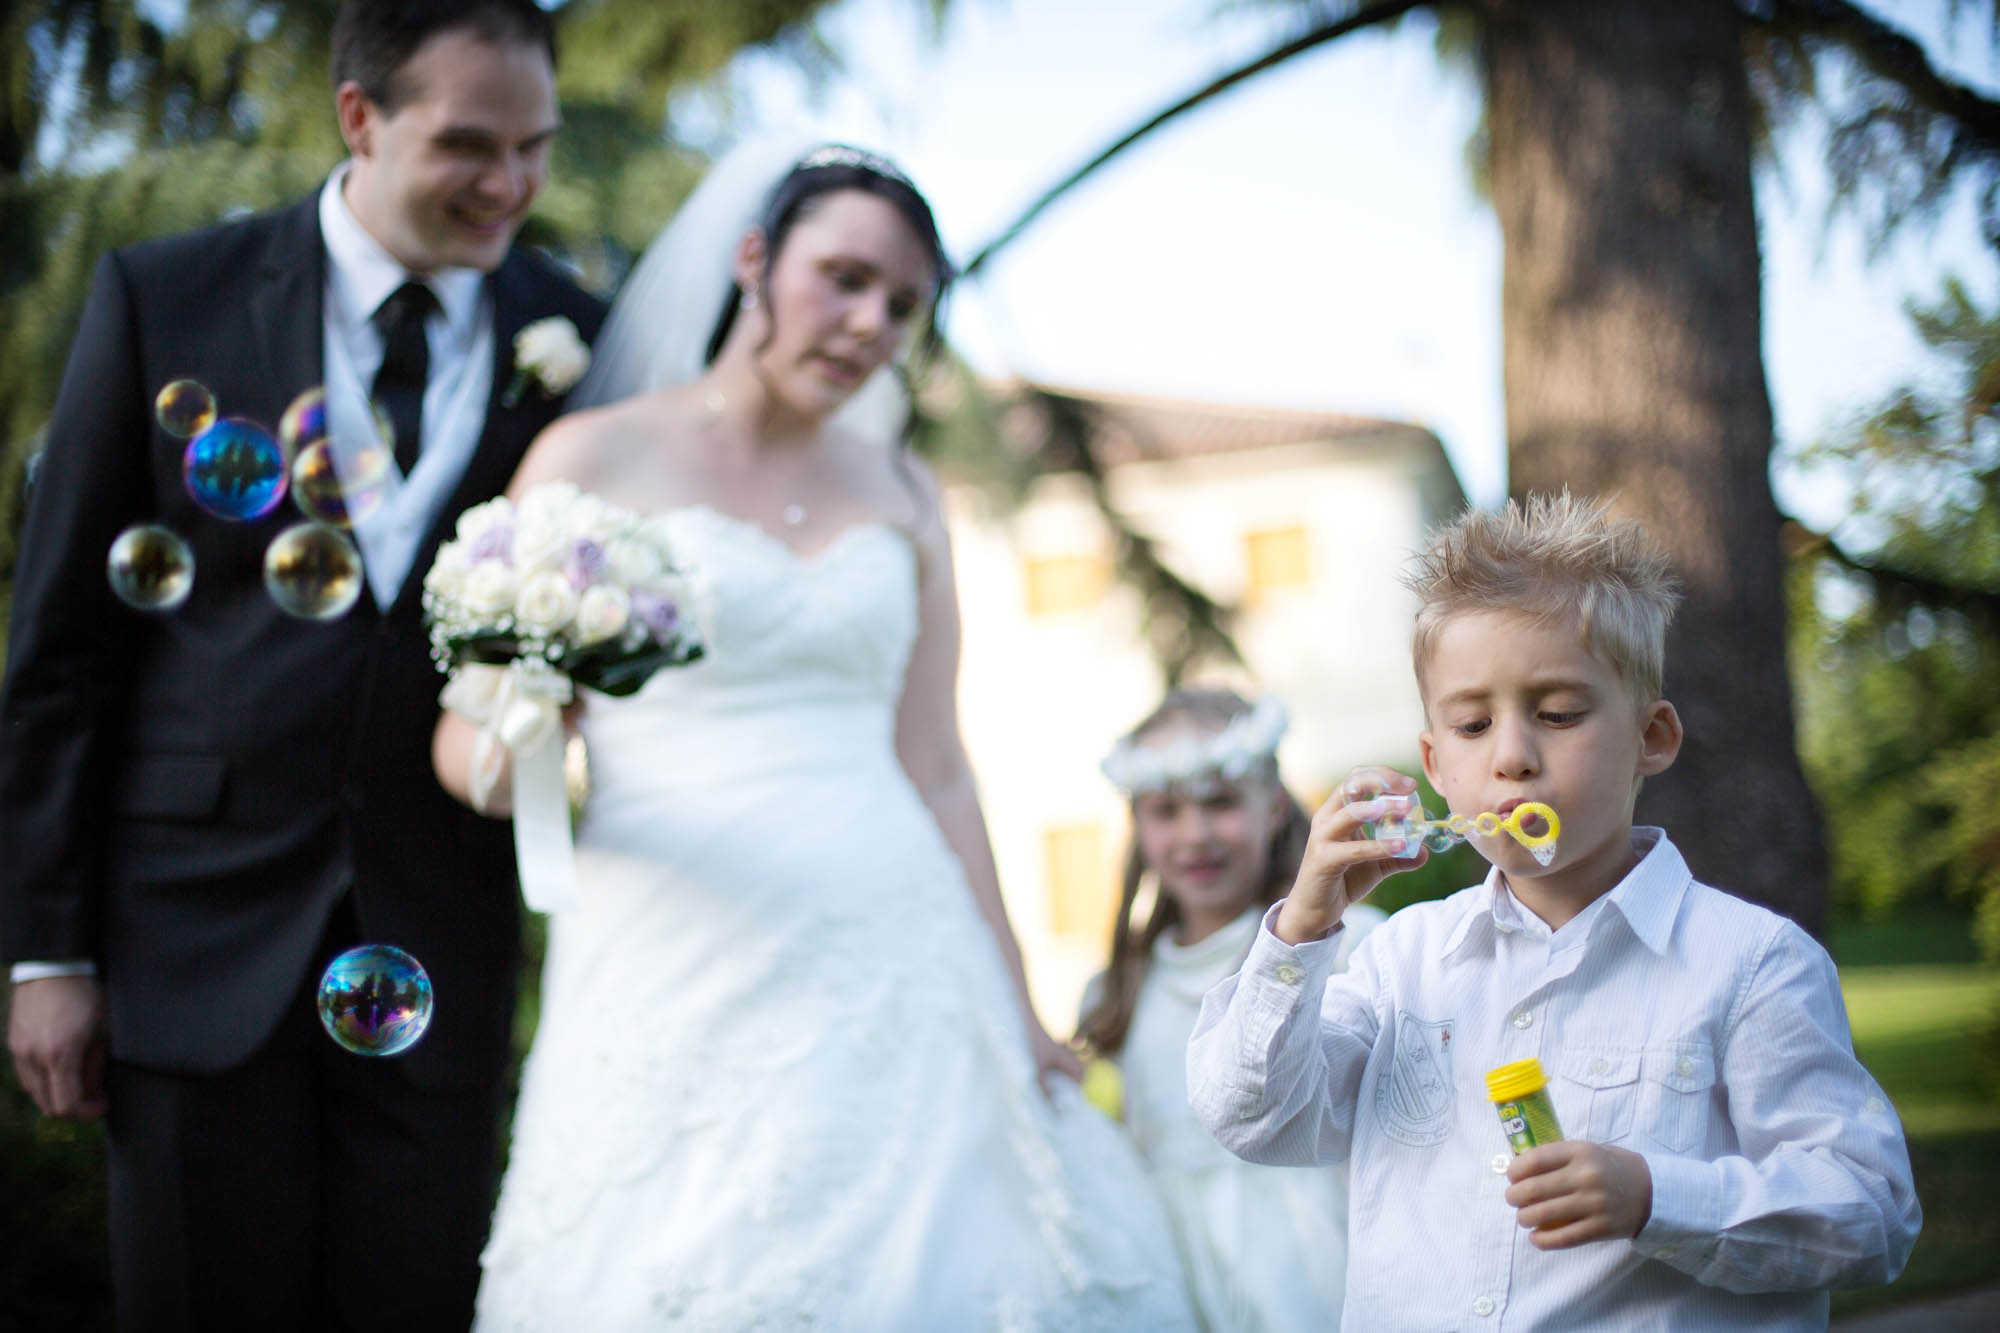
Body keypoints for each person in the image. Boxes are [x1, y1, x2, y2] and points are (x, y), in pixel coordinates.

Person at [432, 136, 1197, 1330]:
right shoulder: (591, 457)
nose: (868, 324)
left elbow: (937, 766)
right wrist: (536, 712)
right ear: (753, 260)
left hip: (896, 931)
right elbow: (464, 757)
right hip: (672, 937)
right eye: (842, 279)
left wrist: (1016, 1001)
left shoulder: (904, 490)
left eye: (901, 304)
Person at [0, 2, 605, 1327]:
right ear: (359, 118)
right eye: (469, 145)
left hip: (441, 939)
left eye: (536, 147)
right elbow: (60, 653)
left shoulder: (577, 339)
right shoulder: (166, 296)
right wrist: (45, 952)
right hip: (188, 936)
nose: (510, 185)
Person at [1187, 492, 1923, 1329]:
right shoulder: (1399, 960)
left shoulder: (1751, 964)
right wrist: (1300, 928)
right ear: (1435, 763)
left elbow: (1872, 1209)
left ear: (1652, 737)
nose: (1512, 756)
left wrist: (1657, 1195)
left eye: (1559, 713)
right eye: (1472, 724)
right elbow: (1249, 1118)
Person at [1079, 686, 1384, 1331]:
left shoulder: (1347, 948)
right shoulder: (1120, 991)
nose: (1195, 835)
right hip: (1183, 1285)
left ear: (1272, 806)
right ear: (1137, 824)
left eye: (1220, 803)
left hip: (1324, 1273)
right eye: (1166, 811)